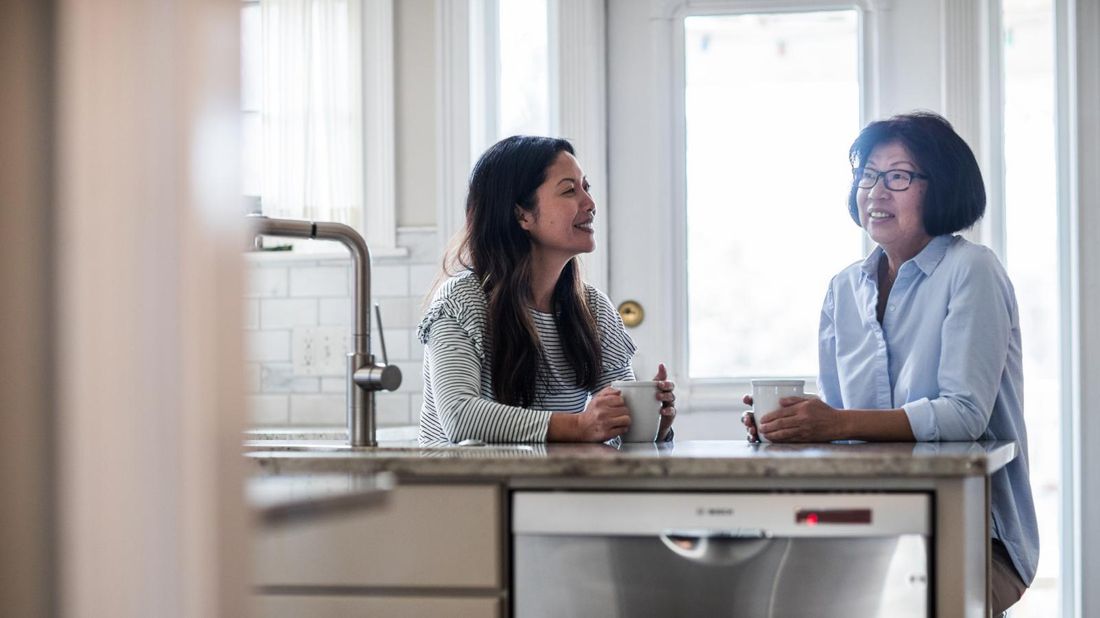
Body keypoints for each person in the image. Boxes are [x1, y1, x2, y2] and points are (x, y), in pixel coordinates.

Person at [741, 112, 1038, 615]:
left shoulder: (972, 270)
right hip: (872, 521)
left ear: (940, 187)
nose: (876, 192)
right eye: (868, 176)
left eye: (898, 176)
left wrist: (832, 422)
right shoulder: (843, 289)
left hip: (972, 529)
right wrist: (796, 425)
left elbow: (964, 414)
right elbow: (845, 427)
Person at [418, 135, 676, 446]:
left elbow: (612, 427)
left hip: (549, 489)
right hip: (465, 492)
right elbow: (461, 417)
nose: (590, 204)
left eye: (586, 188)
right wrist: (579, 426)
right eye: (569, 190)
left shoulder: (594, 309)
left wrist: (653, 422)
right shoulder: (460, 301)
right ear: (521, 215)